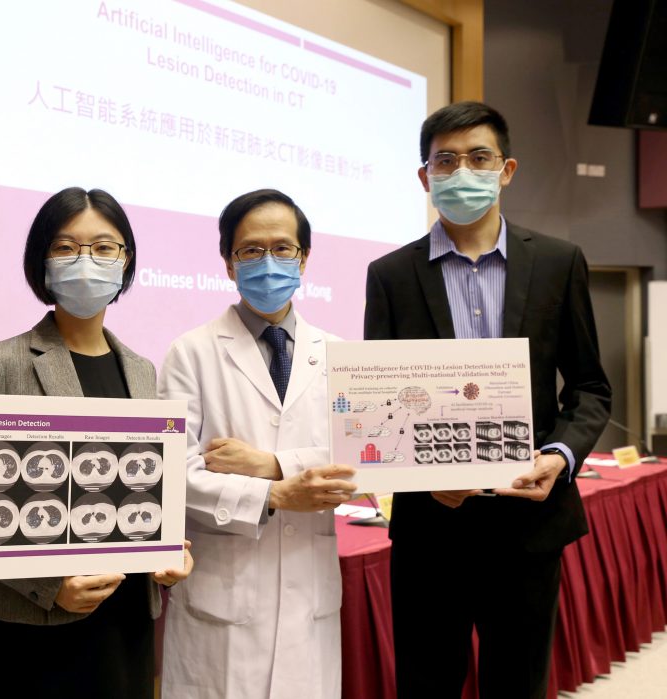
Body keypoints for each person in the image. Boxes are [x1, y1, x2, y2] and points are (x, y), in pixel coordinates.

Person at [363, 101, 611, 698]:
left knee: (519, 685)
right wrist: (419, 475)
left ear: (507, 169)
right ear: (425, 177)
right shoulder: (390, 275)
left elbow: (589, 389)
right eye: (445, 160)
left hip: (529, 523)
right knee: (427, 684)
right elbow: (382, 405)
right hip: (431, 530)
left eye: (479, 157)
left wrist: (558, 455)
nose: (462, 172)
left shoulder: (557, 262)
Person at [0, 187, 193, 698]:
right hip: (38, 633)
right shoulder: (0, 364)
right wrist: (49, 588)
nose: (86, 261)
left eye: (105, 247)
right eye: (65, 247)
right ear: (40, 262)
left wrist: (168, 556)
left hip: (126, 622)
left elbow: (145, 493)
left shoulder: (141, 370)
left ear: (125, 263)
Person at [158, 189, 357, 699]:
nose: (268, 262)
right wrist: (275, 495)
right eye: (250, 250)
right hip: (223, 599)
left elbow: (361, 461)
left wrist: (271, 465)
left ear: (305, 258)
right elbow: (173, 474)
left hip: (308, 598)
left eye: (283, 248)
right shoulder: (190, 353)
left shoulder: (341, 356)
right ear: (228, 264)